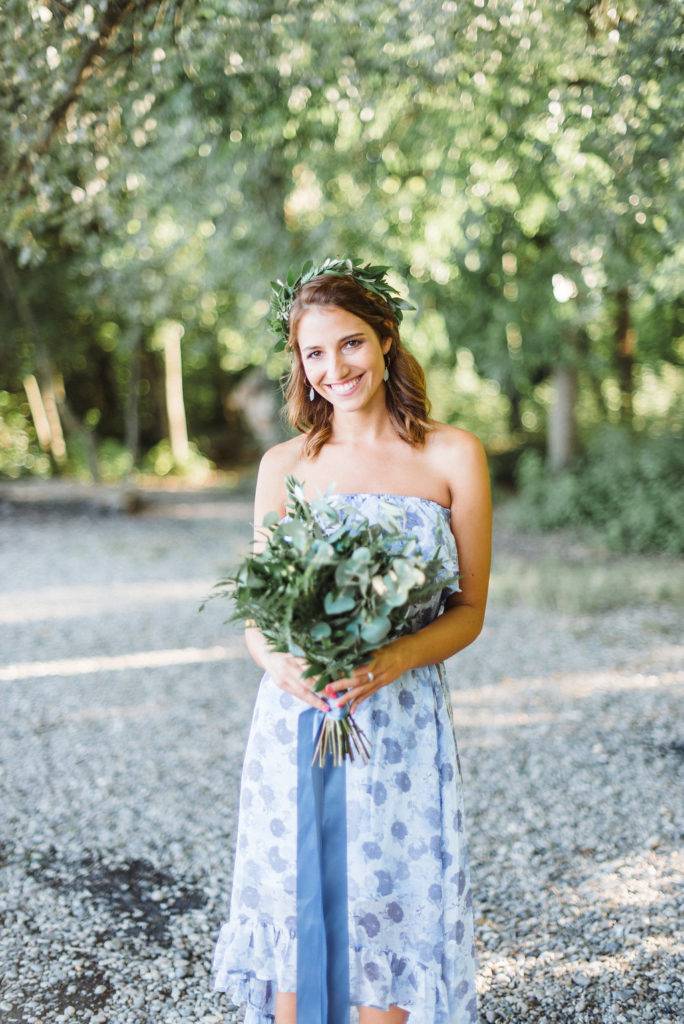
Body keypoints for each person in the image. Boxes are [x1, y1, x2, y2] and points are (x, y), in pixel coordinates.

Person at [211, 258, 492, 1024]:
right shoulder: (284, 467)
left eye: (352, 344)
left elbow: (469, 610)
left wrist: (384, 662)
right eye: (314, 353)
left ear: (387, 340)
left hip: (400, 729)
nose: (335, 367)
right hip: (297, 723)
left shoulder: (453, 455)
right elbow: (258, 618)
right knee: (299, 961)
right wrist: (285, 664)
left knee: (384, 948)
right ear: (298, 363)